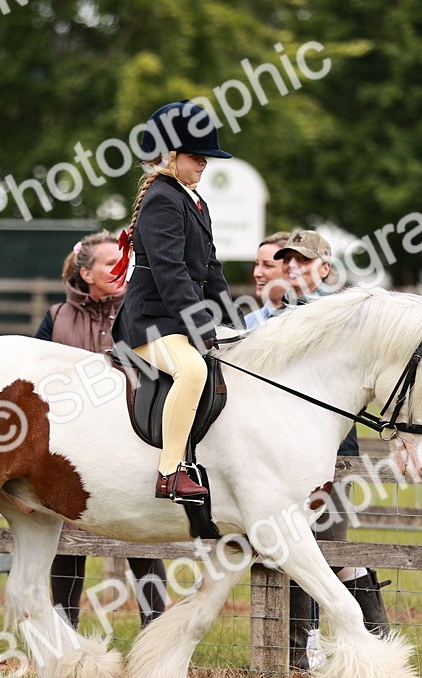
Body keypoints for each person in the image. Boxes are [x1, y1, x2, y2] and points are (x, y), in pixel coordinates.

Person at [254, 230, 388, 668]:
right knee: (300, 545)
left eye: (303, 262)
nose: (293, 268)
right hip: (285, 449)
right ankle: (301, 649)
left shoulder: (339, 315)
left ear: (325, 268)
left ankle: (372, 636)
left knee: (332, 548)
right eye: (288, 261)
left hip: (333, 449)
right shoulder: (284, 313)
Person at [111, 100, 245, 502]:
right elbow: (171, 275)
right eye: (196, 155)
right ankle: (170, 471)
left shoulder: (193, 200)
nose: (204, 164)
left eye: (206, 157)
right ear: (169, 156)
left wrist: (232, 324)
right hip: (151, 321)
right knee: (191, 371)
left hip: (174, 318)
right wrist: (201, 327)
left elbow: (210, 268)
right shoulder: (162, 199)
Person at [36, 232, 167, 628]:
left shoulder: (141, 311)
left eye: (124, 261)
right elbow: (35, 380)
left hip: (129, 443)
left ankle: (155, 632)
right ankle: (65, 634)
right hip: (70, 450)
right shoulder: (57, 317)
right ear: (86, 272)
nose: (120, 269)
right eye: (111, 263)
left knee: (141, 540)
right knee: (67, 545)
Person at [244, 231, 292, 329]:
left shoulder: (312, 322)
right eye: (257, 264)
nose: (256, 273)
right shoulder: (247, 324)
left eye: (268, 265)